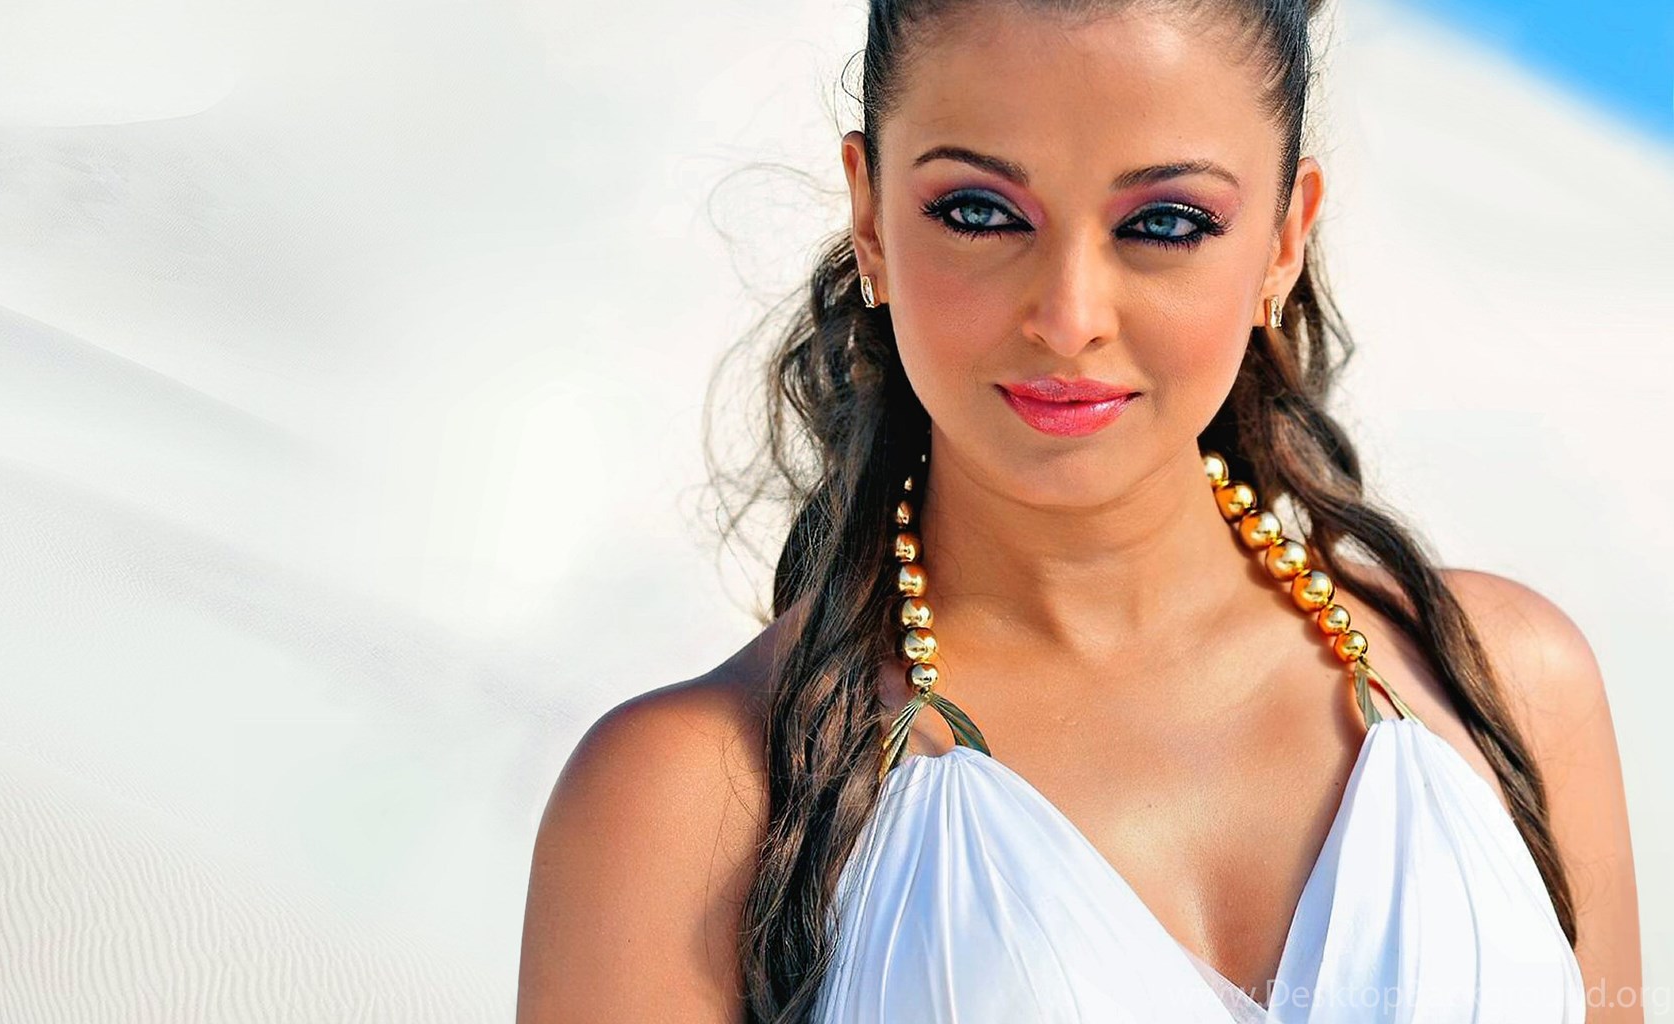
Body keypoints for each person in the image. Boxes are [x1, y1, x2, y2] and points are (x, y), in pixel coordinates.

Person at [515, 0, 1645, 1020]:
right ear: (870, 216)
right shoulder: (686, 806)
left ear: (1284, 238)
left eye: (1165, 222)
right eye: (978, 211)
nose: (1067, 316)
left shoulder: (1509, 684)